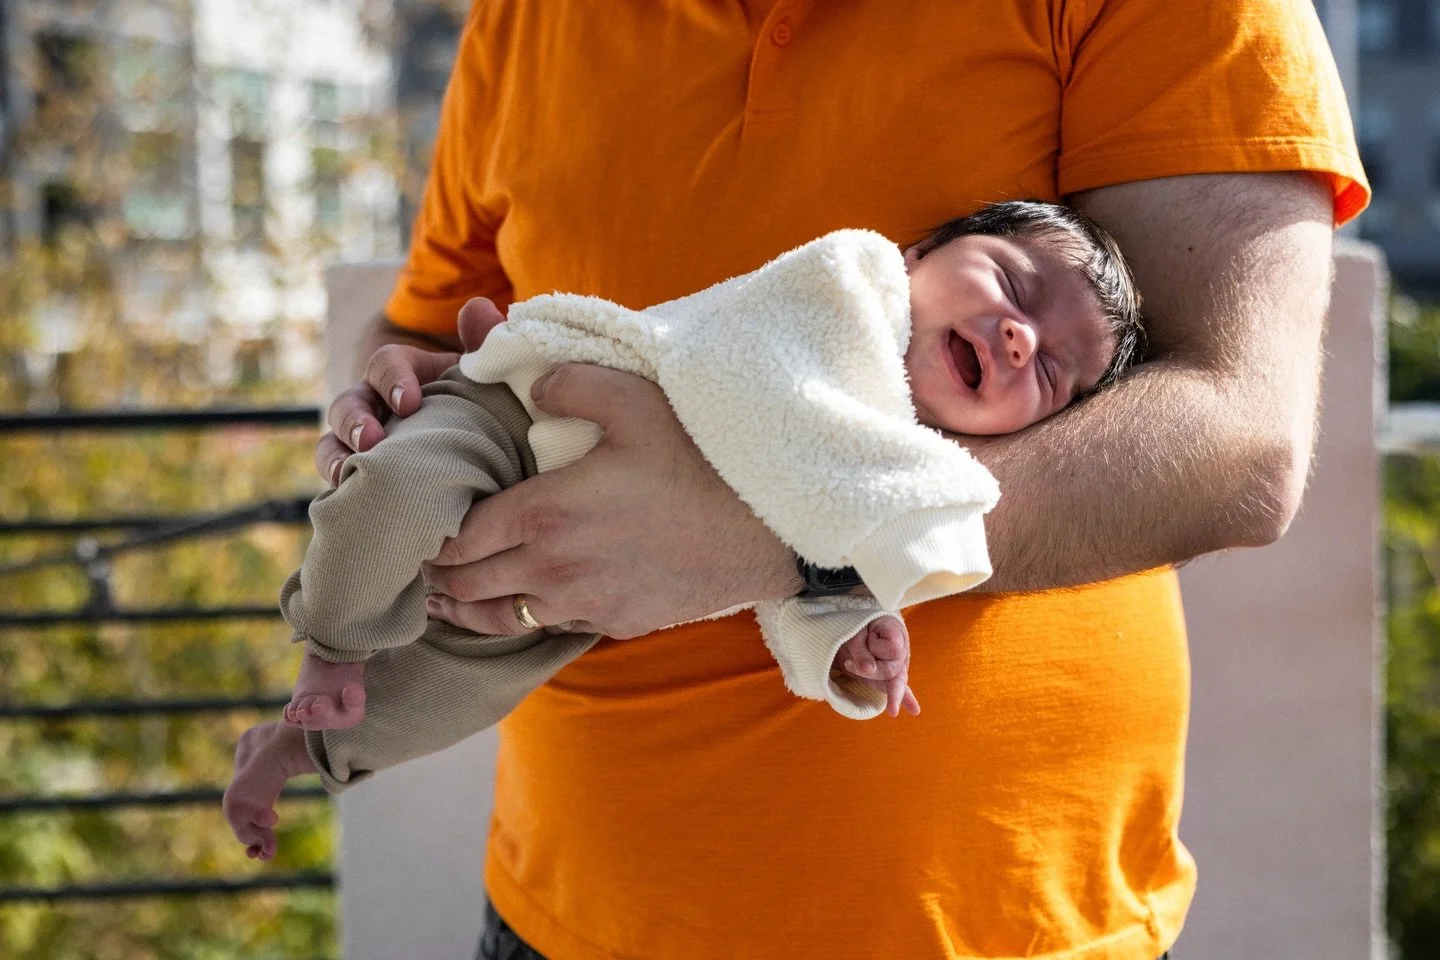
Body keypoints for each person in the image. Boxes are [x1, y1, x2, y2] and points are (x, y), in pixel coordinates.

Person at [305, 3, 1368, 958]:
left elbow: (1240, 434)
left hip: (998, 929)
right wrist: (386, 390)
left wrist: (779, 535)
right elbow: (426, 315)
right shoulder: (526, 18)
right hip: (565, 914)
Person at [223, 202, 1145, 857]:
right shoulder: (853, 281)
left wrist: (848, 632)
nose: (1022, 338)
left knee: (441, 700)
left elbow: (798, 550)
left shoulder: (904, 462)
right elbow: (780, 439)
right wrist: (381, 389)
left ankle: (294, 749)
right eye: (1012, 282)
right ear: (918, 254)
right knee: (397, 491)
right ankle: (331, 644)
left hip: (566, 601)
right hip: (516, 415)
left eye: (1055, 374)